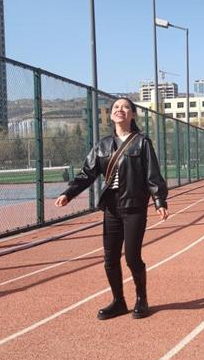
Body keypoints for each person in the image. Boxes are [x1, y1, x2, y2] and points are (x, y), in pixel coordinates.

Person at [55, 98, 169, 320]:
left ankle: (141, 299)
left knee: (132, 258)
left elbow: (153, 175)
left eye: (125, 107)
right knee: (110, 259)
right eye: (116, 107)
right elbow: (86, 173)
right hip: (111, 208)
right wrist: (68, 193)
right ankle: (118, 301)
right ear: (111, 115)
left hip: (134, 207)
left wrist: (159, 201)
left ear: (133, 114)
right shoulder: (103, 145)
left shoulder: (142, 143)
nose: (120, 110)